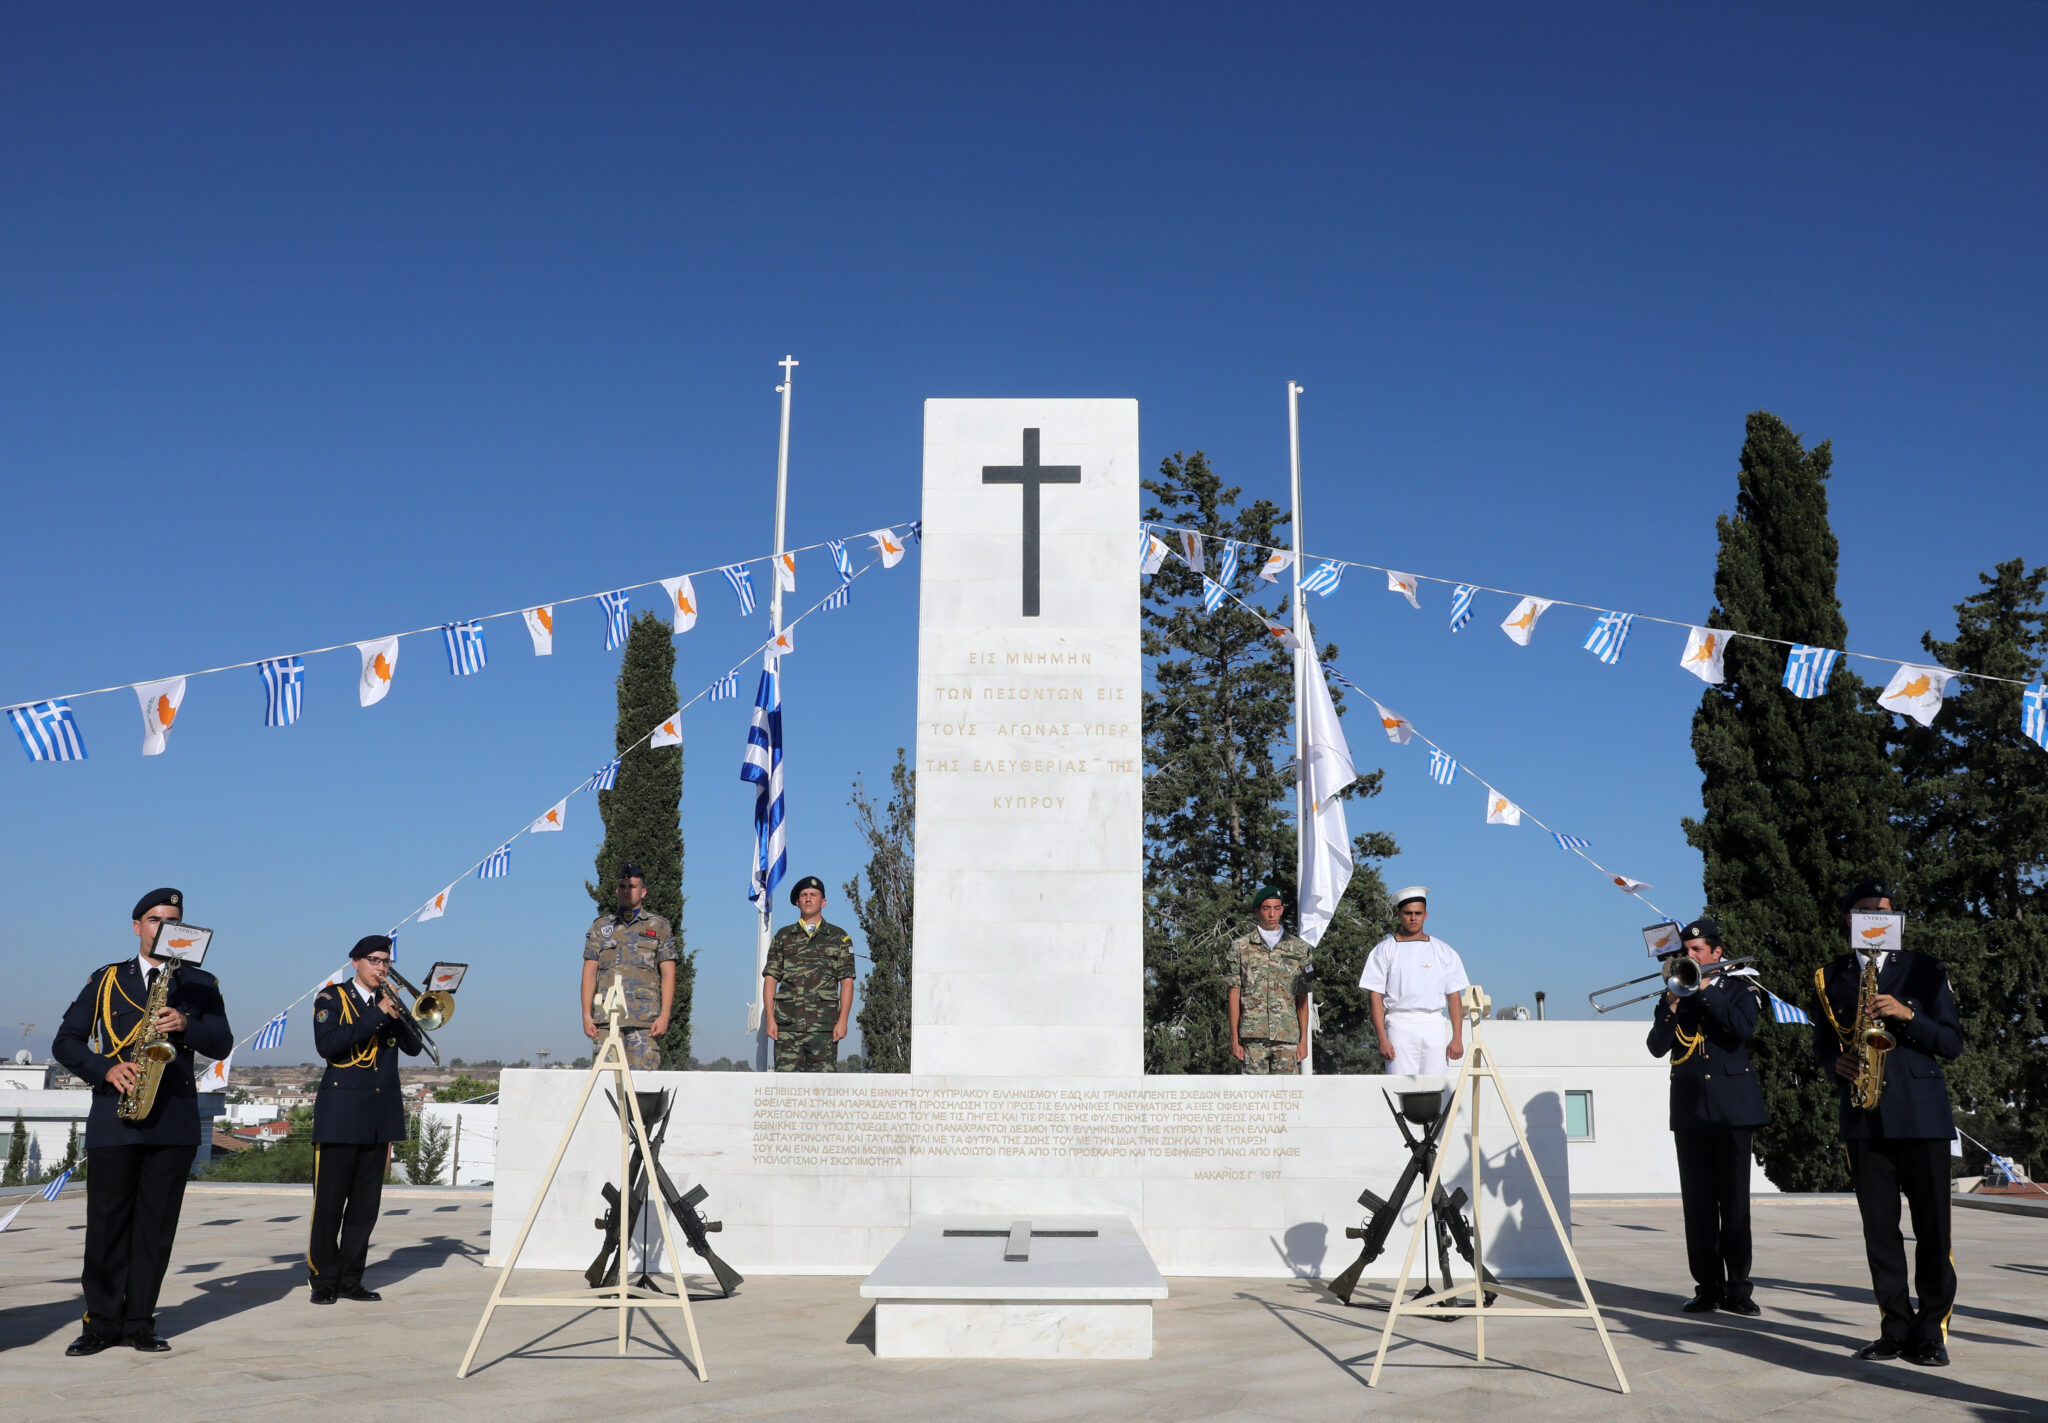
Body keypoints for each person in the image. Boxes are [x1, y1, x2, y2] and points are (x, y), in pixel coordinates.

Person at [51, 887, 232, 1355]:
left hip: (172, 1119)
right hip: (116, 1115)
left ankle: (139, 1322)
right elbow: (66, 1042)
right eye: (155, 920)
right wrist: (105, 1069)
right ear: (138, 926)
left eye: (174, 921)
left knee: (155, 1228)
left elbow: (222, 1043)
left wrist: (187, 1025)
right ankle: (100, 1322)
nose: (163, 928)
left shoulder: (200, 984)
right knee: (107, 1224)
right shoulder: (107, 979)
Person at [1813, 877, 1963, 1367]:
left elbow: (1951, 1043)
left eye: (1886, 909)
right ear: (1850, 920)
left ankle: (1931, 1332)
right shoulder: (1829, 976)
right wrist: (1832, 1063)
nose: (1878, 915)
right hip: (1864, 1114)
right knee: (1880, 1232)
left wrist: (1906, 1013)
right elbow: (1822, 1042)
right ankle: (1894, 1327)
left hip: (1921, 1115)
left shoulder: (1924, 968)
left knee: (1933, 1230)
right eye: (1866, 910)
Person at [1646, 916, 1767, 1316]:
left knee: (1734, 1205)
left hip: (1733, 1110)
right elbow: (1656, 1047)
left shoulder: (1739, 990)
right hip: (1691, 1111)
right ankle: (1708, 1288)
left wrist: (1703, 992)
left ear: (1717, 953)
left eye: (1697, 950)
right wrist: (1672, 1005)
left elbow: (1742, 1029)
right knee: (1698, 1207)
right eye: (1685, 951)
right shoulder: (1674, 994)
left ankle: (1739, 1290)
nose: (1689, 955)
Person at [307, 935, 425, 1304]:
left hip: (378, 1116)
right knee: (329, 1205)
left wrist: (402, 1012)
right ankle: (323, 1279)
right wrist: (378, 1015)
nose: (382, 968)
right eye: (374, 960)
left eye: (386, 961)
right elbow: (328, 1045)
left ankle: (351, 1278)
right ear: (355, 962)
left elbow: (414, 1046)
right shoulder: (331, 998)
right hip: (340, 1115)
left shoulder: (391, 1001)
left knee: (364, 1207)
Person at [1359, 887, 1469, 1075]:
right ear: (1399, 914)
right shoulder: (1384, 950)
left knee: (1436, 1086)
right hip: (1399, 1024)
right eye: (1408, 913)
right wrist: (1382, 1038)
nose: (1413, 918)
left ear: (1425, 915)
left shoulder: (1443, 951)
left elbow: (1454, 996)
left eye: (1418, 913)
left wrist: (1457, 1037)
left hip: (1433, 1024)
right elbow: (1374, 996)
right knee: (1400, 1086)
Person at [581, 862, 677, 1071]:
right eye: (623, 887)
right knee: (605, 1081)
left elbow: (668, 973)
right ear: (617, 890)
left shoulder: (659, 926)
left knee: (641, 1085)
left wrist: (664, 1015)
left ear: (643, 892)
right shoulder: (601, 927)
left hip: (644, 1021)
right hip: (608, 1019)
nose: (626, 891)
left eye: (632, 887)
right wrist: (587, 1014)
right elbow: (589, 972)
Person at [762, 875, 856, 1072]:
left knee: (823, 1090)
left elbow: (847, 982)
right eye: (803, 895)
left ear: (823, 902)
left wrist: (843, 1021)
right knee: (786, 1091)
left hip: (824, 1028)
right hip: (787, 1028)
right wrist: (770, 1019)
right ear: (797, 902)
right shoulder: (783, 936)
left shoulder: (839, 938)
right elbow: (770, 978)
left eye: (813, 895)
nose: (808, 898)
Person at [1225, 886, 1313, 1074]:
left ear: (1282, 909)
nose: (1272, 914)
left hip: (1287, 1037)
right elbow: (1234, 993)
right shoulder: (1240, 947)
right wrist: (1234, 1039)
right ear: (1257, 910)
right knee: (1255, 1098)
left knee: (1288, 1097)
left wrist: (1304, 1039)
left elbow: (1302, 998)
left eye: (1276, 908)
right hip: (1253, 1037)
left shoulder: (1298, 949)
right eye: (1266, 908)